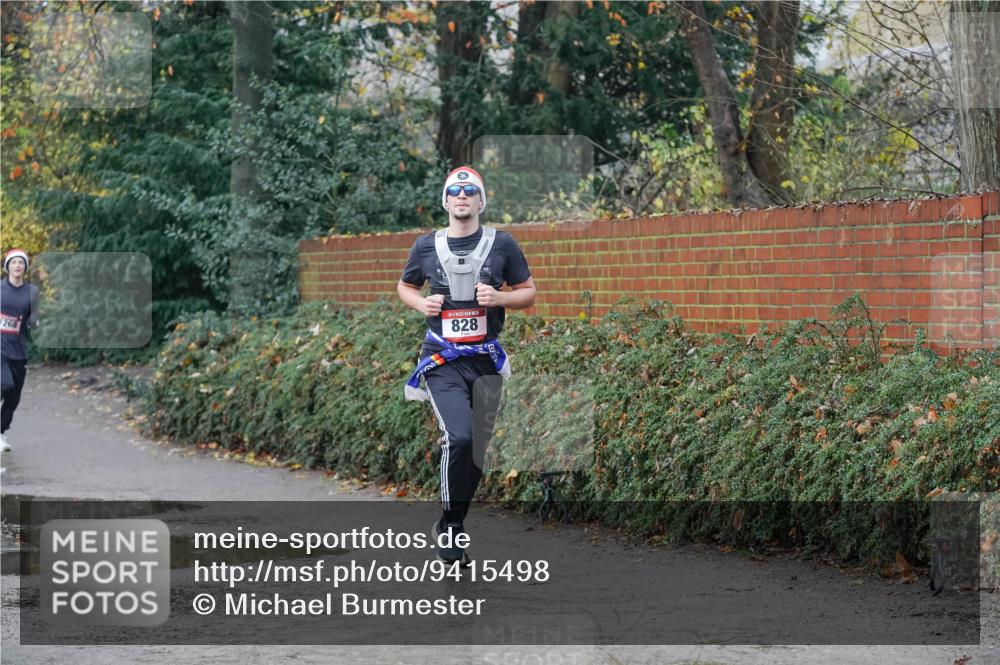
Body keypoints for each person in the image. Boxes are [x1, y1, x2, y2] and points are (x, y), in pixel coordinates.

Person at [398, 166, 536, 566]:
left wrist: (500, 299)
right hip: (441, 360)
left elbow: (528, 293)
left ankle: (455, 524)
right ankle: (449, 523)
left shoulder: (502, 244)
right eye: (454, 191)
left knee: (477, 448)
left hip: (485, 360)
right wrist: (421, 303)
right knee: (459, 438)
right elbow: (405, 285)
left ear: (481, 201)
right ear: (445, 201)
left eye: (470, 190)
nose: (462, 196)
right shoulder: (426, 246)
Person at [1, 249, 39, 468]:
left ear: (24, 267)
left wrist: (35, 321)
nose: (17, 266)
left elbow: (34, 315)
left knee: (14, 395)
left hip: (18, 349)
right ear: (8, 267)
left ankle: (1, 432)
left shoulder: (31, 291)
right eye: (13, 262)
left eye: (21, 263)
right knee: (4, 384)